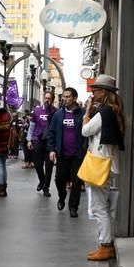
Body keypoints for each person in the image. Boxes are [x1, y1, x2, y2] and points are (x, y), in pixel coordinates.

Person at [81, 75, 126, 260]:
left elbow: (85, 131)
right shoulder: (114, 112)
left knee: (100, 208)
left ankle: (106, 246)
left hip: (101, 164)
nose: (93, 93)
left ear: (104, 92)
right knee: (102, 207)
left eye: (96, 90)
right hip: (108, 163)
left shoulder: (103, 113)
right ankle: (105, 244)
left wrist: (86, 113)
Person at [47, 87, 86, 217]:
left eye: (68, 96)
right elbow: (51, 133)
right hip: (62, 154)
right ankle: (62, 196)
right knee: (59, 179)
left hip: (78, 155)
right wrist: (52, 149)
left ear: (74, 98)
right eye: (64, 96)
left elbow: (88, 133)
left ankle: (73, 207)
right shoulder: (58, 114)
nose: (65, 99)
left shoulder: (82, 114)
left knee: (76, 182)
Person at [27, 90, 56, 197]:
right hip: (37, 141)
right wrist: (29, 140)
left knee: (49, 167)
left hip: (50, 142)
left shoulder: (55, 112)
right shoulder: (37, 111)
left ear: (52, 100)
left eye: (49, 98)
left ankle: (46, 188)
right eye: (46, 98)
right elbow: (32, 126)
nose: (47, 100)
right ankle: (42, 180)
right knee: (38, 165)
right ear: (43, 98)